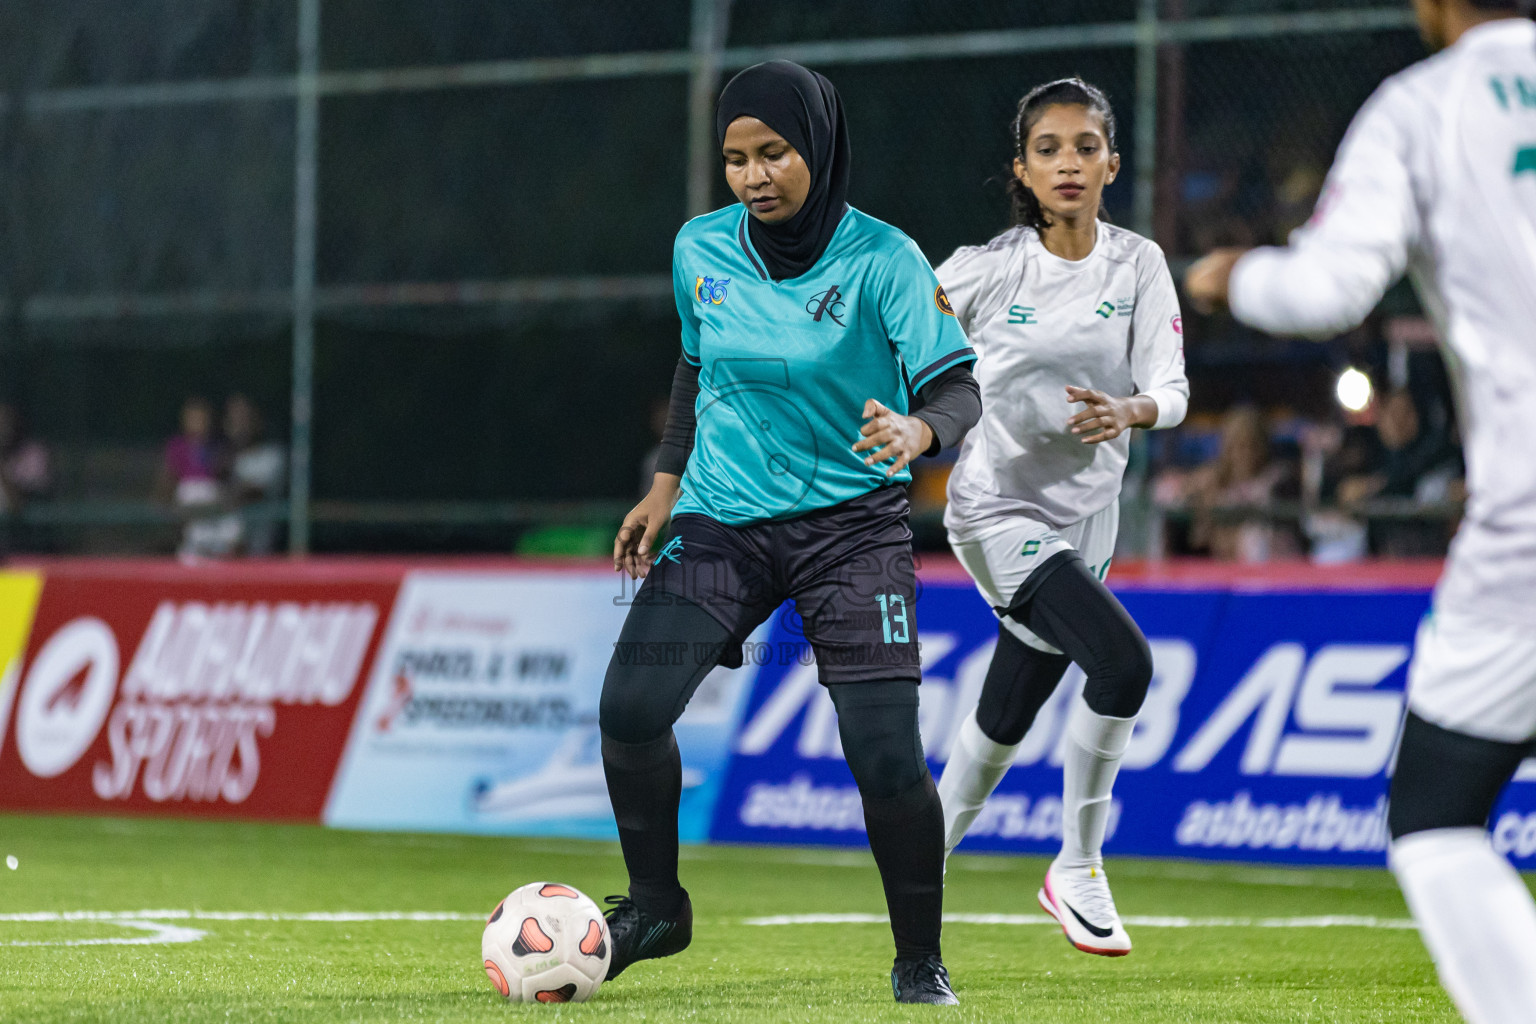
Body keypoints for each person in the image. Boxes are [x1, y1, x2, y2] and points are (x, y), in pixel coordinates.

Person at [599, 60, 981, 1004]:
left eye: (774, 152)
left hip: (853, 531)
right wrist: (664, 483)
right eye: (735, 159)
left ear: (818, 146)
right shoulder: (700, 248)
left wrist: (919, 432)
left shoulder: (885, 258)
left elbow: (957, 388)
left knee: (886, 755)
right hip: (722, 520)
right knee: (631, 709)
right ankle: (656, 908)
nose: (754, 175)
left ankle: (918, 957)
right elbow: (696, 367)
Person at [1185, 2, 1536, 1019]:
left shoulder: (1422, 107)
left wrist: (1232, 273)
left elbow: (1328, 290)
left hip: (1526, 523)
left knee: (1436, 815)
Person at [933, 78, 1189, 957]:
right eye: (1049, 148)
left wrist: (1131, 411)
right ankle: (1077, 865)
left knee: (1009, 708)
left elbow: (1174, 388)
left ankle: (916, 855)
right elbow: (897, 335)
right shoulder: (987, 266)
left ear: (1112, 162)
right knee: (1122, 665)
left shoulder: (1139, 264)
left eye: (1085, 146)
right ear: (1023, 168)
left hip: (1091, 521)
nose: (1068, 162)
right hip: (995, 508)